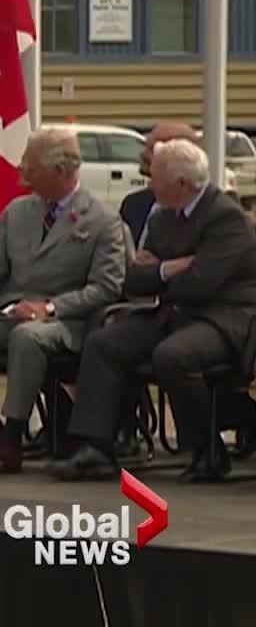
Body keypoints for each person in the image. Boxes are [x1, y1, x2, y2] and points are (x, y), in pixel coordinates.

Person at [48, 139, 256, 482]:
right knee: (104, 343)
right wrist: (170, 268)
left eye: (155, 177)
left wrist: (159, 271)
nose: (149, 183)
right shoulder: (161, 216)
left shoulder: (226, 219)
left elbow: (202, 284)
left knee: (173, 356)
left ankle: (208, 448)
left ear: (181, 184)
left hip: (224, 316)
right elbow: (133, 279)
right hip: (175, 312)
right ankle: (95, 447)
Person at [0, 127, 127, 474]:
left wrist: (49, 308)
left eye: (29, 166)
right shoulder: (17, 212)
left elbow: (106, 287)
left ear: (60, 171)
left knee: (28, 336)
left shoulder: (102, 222)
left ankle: (12, 437)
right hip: (7, 311)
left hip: (63, 322)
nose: (22, 172)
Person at [122, 122, 199, 250]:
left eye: (151, 149)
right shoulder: (133, 204)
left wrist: (159, 267)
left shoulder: (202, 212)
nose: (143, 155)